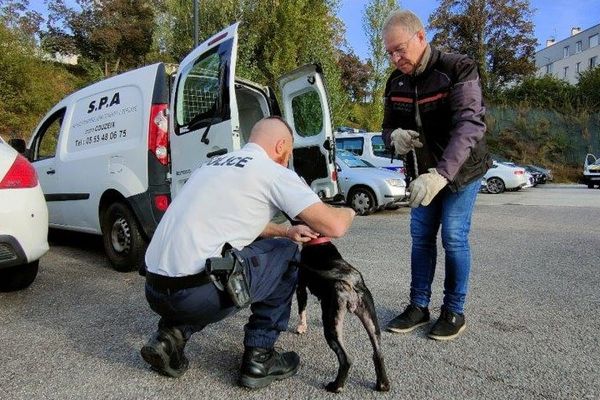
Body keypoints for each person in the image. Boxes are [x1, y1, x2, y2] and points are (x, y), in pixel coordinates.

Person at [140, 116, 355, 387]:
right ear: (280, 146)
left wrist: (285, 230)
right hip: (197, 295)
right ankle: (260, 356)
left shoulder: (209, 167)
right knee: (288, 253)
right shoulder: (272, 171)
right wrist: (349, 211)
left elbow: (230, 224)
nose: (287, 159)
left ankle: (170, 336)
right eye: (288, 152)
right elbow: (334, 225)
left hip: (155, 290)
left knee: (251, 251)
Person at [381, 10, 491, 341]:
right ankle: (418, 306)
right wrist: (393, 138)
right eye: (389, 52)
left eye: (400, 49)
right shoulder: (395, 81)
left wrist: (441, 174)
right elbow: (386, 128)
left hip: (460, 173)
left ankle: (454, 311)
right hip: (420, 173)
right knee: (421, 239)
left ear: (421, 36)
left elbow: (470, 124)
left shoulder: (457, 68)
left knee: (454, 237)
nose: (396, 58)